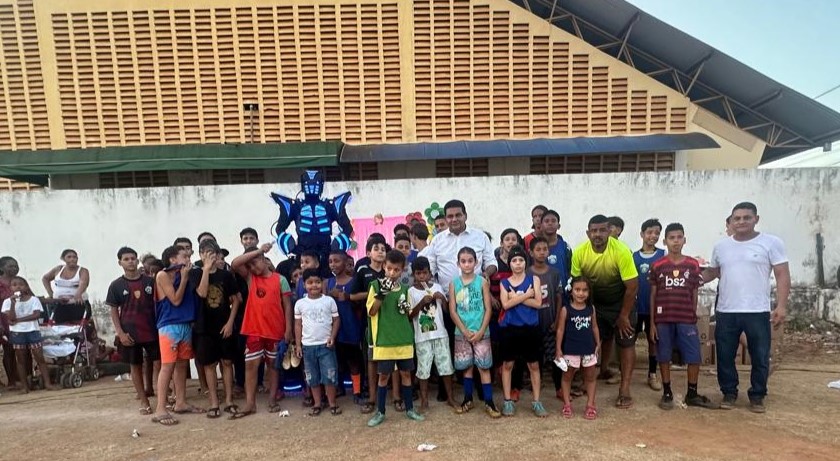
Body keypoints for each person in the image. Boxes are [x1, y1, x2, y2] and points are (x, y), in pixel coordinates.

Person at [703, 202, 789, 413]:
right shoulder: (721, 246)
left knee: (759, 354)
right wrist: (686, 279)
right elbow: (711, 273)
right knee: (724, 355)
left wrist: (781, 305)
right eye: (737, 218)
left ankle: (757, 395)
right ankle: (729, 393)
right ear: (731, 222)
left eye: (746, 217)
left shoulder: (771, 243)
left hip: (757, 310)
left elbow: (782, 274)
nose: (741, 222)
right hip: (726, 310)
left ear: (756, 219)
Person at [571, 214, 639, 409]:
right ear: (588, 233)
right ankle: (588, 380)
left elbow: (632, 286)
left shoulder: (622, 251)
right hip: (596, 304)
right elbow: (577, 285)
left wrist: (624, 315)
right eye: (594, 231)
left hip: (622, 301)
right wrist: (583, 312)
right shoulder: (579, 253)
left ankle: (624, 388)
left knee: (626, 342)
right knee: (590, 341)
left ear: (610, 231)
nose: (598, 234)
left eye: (602, 230)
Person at [650, 223, 717, 411]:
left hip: (686, 319)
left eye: (679, 237)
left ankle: (692, 393)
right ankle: (666, 392)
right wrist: (653, 323)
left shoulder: (692, 265)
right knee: (663, 356)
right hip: (663, 320)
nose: (676, 241)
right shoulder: (658, 266)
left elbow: (695, 292)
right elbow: (653, 295)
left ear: (684, 240)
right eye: (672, 238)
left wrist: (692, 313)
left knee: (694, 356)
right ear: (665, 241)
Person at [230, 243, 294, 418]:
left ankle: (272, 399)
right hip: (255, 330)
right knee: (251, 366)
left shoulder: (280, 279)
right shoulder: (251, 278)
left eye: (255, 262)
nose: (252, 267)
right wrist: (257, 251)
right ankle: (250, 403)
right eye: (249, 265)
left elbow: (287, 306)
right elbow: (235, 264)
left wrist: (288, 329)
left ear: (265, 261)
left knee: (273, 366)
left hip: (275, 330)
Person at [365, 250, 425, 427]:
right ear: (384, 267)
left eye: (396, 270)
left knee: (406, 374)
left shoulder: (405, 290)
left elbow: (408, 315)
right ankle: (381, 412)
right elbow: (371, 311)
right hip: (384, 341)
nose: (392, 273)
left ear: (402, 270)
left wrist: (409, 306)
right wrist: (382, 294)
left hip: (404, 340)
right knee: (383, 376)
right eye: (389, 268)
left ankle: (410, 409)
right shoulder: (375, 285)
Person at [151, 245, 201, 426]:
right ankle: (160, 409)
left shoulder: (184, 274)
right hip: (169, 326)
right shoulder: (163, 275)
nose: (188, 259)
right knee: (167, 367)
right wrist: (185, 278)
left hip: (185, 323)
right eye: (184, 256)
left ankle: (180, 402)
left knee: (181, 365)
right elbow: (175, 299)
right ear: (173, 259)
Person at [190, 240, 240, 418]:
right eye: (205, 253)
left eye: (212, 253)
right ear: (201, 255)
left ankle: (228, 400)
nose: (209, 256)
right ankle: (213, 402)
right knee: (209, 365)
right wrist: (205, 269)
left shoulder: (226, 276)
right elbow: (202, 293)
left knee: (227, 362)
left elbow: (236, 300)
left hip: (223, 325)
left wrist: (230, 322)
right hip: (204, 327)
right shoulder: (195, 274)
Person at [106, 247, 159, 415]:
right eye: (126, 259)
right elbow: (114, 310)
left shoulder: (150, 282)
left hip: (151, 329)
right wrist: (120, 333)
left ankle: (163, 398)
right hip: (130, 332)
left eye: (133, 258)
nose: (130, 261)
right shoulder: (116, 285)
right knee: (135, 366)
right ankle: (144, 401)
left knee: (160, 363)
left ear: (137, 261)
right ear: (120, 262)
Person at [449, 248, 500, 418]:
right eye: (463, 261)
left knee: (484, 367)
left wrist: (480, 331)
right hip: (461, 332)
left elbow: (488, 309)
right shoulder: (453, 284)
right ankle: (468, 399)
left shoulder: (482, 282)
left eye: (470, 260)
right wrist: (463, 330)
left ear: (476, 262)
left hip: (481, 332)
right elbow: (453, 311)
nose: (467, 264)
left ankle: (489, 402)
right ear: (458, 264)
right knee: (467, 368)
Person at [499, 246, 546, 417]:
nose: (517, 264)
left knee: (533, 365)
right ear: (509, 263)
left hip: (530, 328)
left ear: (526, 262)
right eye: (514, 260)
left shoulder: (534, 280)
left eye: (521, 260)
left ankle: (536, 401)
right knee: (508, 365)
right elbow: (505, 305)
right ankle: (507, 401)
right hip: (510, 328)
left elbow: (538, 303)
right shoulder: (505, 283)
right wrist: (526, 295)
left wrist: (515, 297)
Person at [408, 256, 460, 413]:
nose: (422, 276)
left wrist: (442, 298)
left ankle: (450, 398)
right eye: (418, 273)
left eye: (425, 273)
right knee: (423, 370)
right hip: (422, 338)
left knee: (446, 368)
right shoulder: (411, 291)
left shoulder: (437, 287)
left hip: (441, 334)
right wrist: (421, 303)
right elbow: (410, 316)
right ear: (413, 275)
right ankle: (424, 401)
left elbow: (446, 311)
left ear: (430, 273)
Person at [420, 199, 498, 292]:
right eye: (450, 216)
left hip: (476, 295)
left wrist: (487, 273)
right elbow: (431, 267)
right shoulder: (437, 240)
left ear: (465, 216)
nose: (454, 219)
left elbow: (491, 262)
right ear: (446, 219)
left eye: (458, 215)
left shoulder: (480, 236)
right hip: (447, 296)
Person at [350, 234, 388, 414]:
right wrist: (374, 293)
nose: (380, 252)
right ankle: (372, 398)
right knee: (371, 361)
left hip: (389, 322)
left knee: (390, 360)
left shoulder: (389, 271)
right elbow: (352, 296)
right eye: (376, 249)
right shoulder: (362, 272)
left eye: (383, 249)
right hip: (370, 323)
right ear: (368, 253)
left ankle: (394, 396)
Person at [294, 269, 341, 416]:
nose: (314, 285)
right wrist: (298, 344)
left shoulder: (329, 301)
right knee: (312, 376)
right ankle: (317, 403)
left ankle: (332, 403)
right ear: (304, 284)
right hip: (308, 346)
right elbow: (298, 325)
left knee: (329, 374)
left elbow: (336, 320)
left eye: (317, 282)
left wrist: (332, 337)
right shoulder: (300, 303)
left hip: (326, 345)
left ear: (322, 283)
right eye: (310, 282)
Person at [556, 276, 601, 420]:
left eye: (584, 290)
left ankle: (590, 405)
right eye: (577, 289)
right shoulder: (565, 310)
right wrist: (558, 349)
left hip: (588, 349)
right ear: (571, 291)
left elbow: (594, 327)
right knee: (567, 376)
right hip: (570, 350)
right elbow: (560, 330)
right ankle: (567, 404)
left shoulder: (590, 309)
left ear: (589, 292)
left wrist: (598, 343)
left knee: (590, 377)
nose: (581, 293)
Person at [1, 276, 55, 392]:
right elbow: (10, 318)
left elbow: (36, 315)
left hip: (32, 331)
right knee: (20, 359)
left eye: (21, 284)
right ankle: (25, 386)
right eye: (14, 284)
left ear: (26, 287)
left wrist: (20, 320)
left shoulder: (33, 300)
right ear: (10, 288)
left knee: (39, 358)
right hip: (17, 333)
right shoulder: (7, 302)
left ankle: (48, 383)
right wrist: (13, 304)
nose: (18, 287)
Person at [528, 237, 564, 399]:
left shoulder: (554, 273)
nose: (542, 253)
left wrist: (557, 321)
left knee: (555, 357)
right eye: (538, 250)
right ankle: (537, 385)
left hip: (550, 323)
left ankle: (559, 387)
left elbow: (558, 298)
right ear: (531, 252)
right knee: (536, 357)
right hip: (534, 323)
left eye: (545, 249)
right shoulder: (527, 273)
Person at [326, 250, 363, 404]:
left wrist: (346, 298)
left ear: (345, 262)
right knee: (336, 361)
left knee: (353, 361)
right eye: (330, 261)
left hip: (351, 327)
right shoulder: (326, 283)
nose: (333, 265)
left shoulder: (353, 282)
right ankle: (339, 388)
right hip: (333, 330)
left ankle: (357, 391)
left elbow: (360, 306)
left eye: (337, 261)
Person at [633, 218, 666, 391]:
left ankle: (652, 374)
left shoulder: (663, 255)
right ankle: (626, 373)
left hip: (655, 308)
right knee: (630, 342)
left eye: (657, 233)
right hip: (637, 307)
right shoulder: (633, 257)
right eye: (649, 232)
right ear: (642, 234)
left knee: (653, 341)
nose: (653, 236)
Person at [0, 256, 21, 389]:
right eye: (10, 266)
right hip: (2, 320)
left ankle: (18, 379)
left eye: (15, 265)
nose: (14, 268)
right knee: (7, 350)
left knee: (16, 350)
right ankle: (11, 381)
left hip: (17, 320)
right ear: (1, 268)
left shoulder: (19, 282)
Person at [540, 210, 572, 286]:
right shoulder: (535, 248)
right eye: (546, 221)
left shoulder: (565, 247)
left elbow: (570, 271)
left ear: (559, 226)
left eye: (553, 221)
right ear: (541, 226)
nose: (550, 223)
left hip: (563, 293)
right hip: (543, 292)